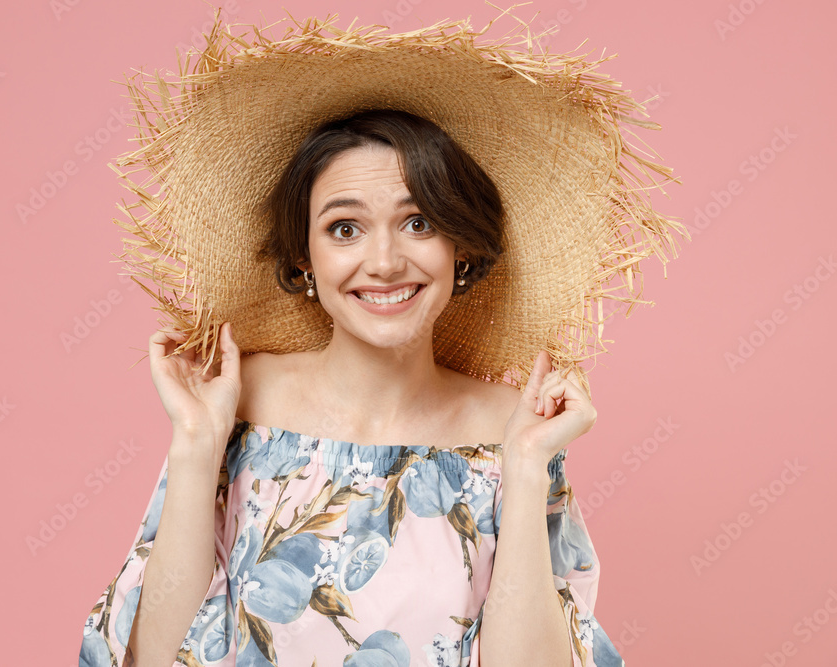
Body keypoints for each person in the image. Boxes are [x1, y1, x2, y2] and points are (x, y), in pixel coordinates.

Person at [80, 8, 685, 667]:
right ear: (304, 257)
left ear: (461, 246)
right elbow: (158, 656)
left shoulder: (509, 429)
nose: (386, 260)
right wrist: (197, 444)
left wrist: (527, 466)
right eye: (345, 228)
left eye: (419, 221)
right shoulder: (238, 403)